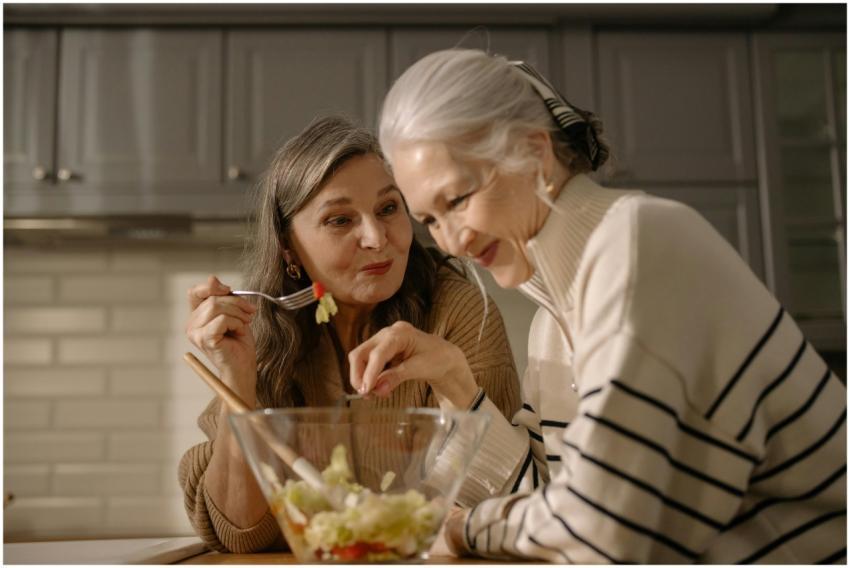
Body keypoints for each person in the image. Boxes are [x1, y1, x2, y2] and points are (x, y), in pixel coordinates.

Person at [347, 48, 847, 563]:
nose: (450, 241)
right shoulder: (553, 322)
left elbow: (604, 527)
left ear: (535, 153)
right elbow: (550, 502)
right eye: (430, 220)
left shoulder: (640, 242)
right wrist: (454, 377)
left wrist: (462, 531)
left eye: (456, 200)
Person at [178, 115, 523, 553]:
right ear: (289, 247)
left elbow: (491, 499)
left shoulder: (459, 311)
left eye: (388, 208)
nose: (377, 238)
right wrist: (237, 374)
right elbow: (240, 533)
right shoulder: (261, 331)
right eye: (340, 220)